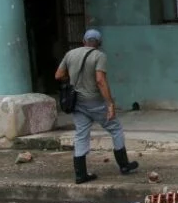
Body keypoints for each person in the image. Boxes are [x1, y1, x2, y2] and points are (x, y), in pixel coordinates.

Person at [55, 29, 139, 184]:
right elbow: (100, 81)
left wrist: (72, 78)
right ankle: (124, 165)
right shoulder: (99, 56)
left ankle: (80, 174)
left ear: (83, 41)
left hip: (76, 102)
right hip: (94, 101)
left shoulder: (70, 54)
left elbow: (58, 75)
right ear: (99, 43)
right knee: (115, 128)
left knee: (81, 135)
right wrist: (110, 104)